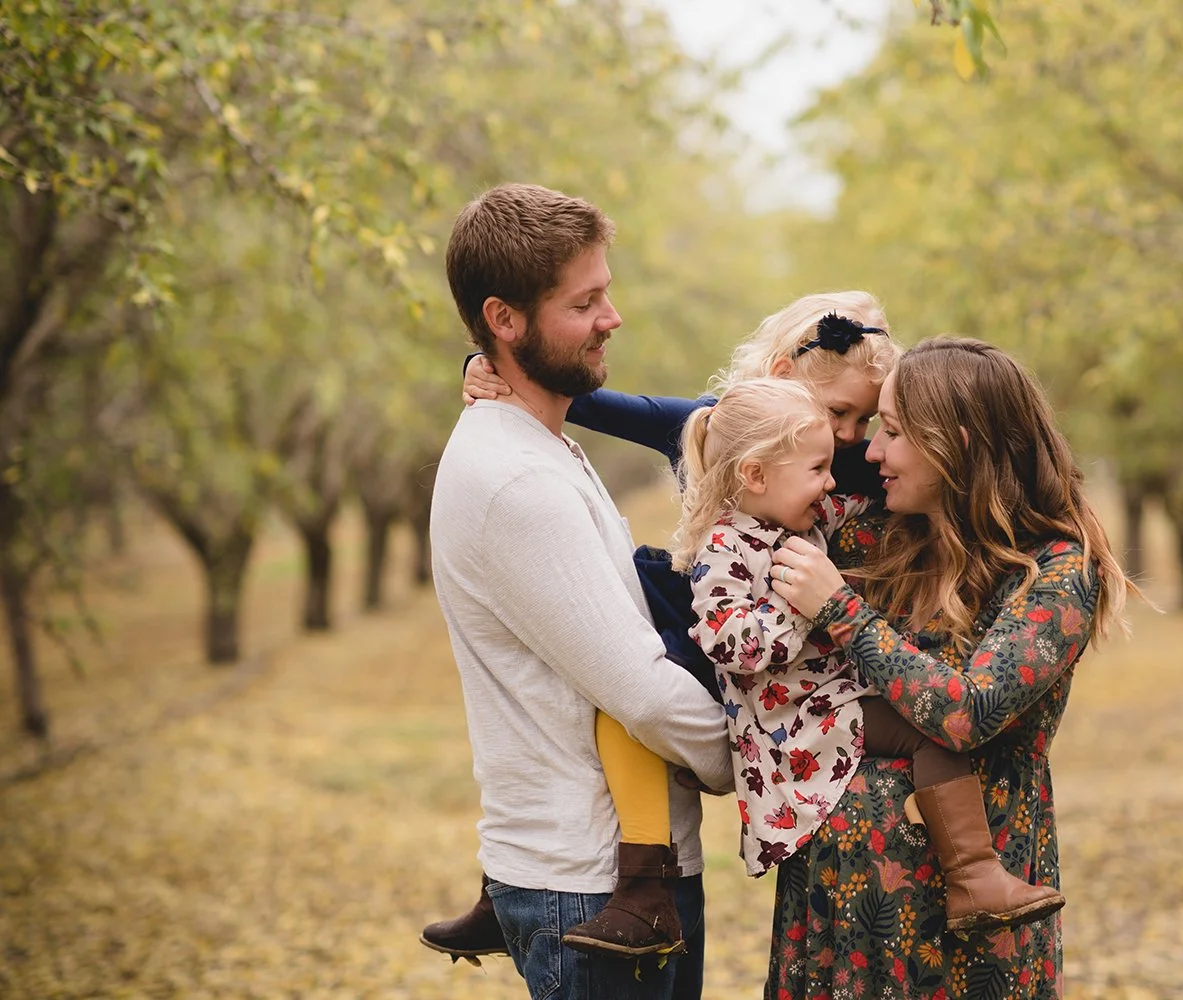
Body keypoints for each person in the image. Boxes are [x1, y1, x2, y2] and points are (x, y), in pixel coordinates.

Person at [422, 292, 901, 960]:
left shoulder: (859, 464)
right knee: (617, 664)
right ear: (785, 384)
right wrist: (487, 360)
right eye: (840, 413)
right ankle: (516, 885)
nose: (852, 436)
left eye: (867, 419)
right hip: (728, 616)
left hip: (791, 647)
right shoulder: (716, 426)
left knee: (628, 684)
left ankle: (622, 882)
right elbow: (587, 399)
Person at [762, 336, 1139, 999]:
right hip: (833, 908)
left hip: (957, 927)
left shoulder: (1055, 569)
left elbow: (968, 714)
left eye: (894, 432)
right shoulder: (870, 537)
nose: (870, 451)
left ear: (956, 443)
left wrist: (843, 612)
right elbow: (743, 482)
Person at [427, 182, 732, 1000]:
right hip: (592, 888)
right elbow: (642, 691)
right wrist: (754, 757)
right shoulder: (514, 480)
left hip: (614, 873)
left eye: (608, 291)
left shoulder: (543, 440)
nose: (612, 316)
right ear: (504, 319)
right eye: (585, 301)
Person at [671, 375, 1066, 932]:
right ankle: (974, 875)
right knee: (924, 731)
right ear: (755, 476)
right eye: (817, 470)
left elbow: (857, 503)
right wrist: (807, 604)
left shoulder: (798, 521)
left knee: (926, 729)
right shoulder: (725, 550)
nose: (835, 481)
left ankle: (972, 871)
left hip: (826, 704)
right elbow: (728, 643)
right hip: (799, 718)